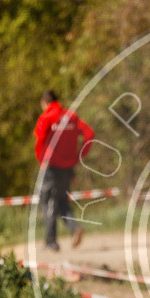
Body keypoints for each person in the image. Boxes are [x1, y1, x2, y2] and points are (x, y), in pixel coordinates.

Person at [34, 89, 94, 251]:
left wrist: (42, 159)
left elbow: (40, 140)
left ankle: (51, 241)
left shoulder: (46, 117)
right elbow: (89, 133)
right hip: (69, 167)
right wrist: (80, 156)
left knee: (46, 201)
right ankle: (74, 228)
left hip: (51, 167)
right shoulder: (71, 116)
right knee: (61, 200)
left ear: (44, 103)